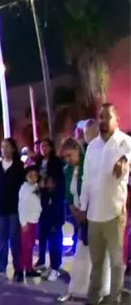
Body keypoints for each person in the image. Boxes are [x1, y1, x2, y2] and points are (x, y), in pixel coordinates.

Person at [79, 103, 131, 305]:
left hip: (115, 212)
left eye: (106, 117)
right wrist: (83, 207)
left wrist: (125, 160)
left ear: (117, 120)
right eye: (100, 117)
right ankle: (93, 298)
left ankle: (114, 299)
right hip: (93, 215)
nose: (102, 121)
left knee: (117, 263)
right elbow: (86, 179)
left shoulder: (125, 142)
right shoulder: (92, 146)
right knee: (97, 262)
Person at [58, 137, 110, 303]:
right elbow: (68, 193)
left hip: (94, 213)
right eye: (65, 156)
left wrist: (86, 212)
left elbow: (95, 190)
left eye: (70, 155)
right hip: (78, 215)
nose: (68, 159)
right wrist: (75, 212)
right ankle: (77, 289)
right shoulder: (67, 170)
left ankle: (100, 290)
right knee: (81, 253)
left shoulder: (89, 165)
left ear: (77, 149)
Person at [0, 138, 25, 282]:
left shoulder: (19, 166)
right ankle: (1, 267)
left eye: (7, 146)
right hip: (1, 208)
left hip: (15, 208)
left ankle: (19, 269)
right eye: (2, 147)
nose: (4, 150)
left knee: (15, 240)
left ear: (13, 148)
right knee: (2, 240)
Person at [33, 138, 65, 280]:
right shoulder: (38, 163)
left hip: (54, 202)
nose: (43, 149)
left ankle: (56, 266)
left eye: (46, 146)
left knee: (54, 234)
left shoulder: (57, 162)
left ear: (51, 147)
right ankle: (46, 263)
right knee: (43, 232)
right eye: (41, 146)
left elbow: (58, 182)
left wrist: (52, 186)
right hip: (42, 202)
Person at [18, 165, 41, 278]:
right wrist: (23, 223)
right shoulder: (24, 189)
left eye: (35, 176)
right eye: (30, 176)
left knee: (30, 246)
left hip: (34, 220)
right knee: (26, 247)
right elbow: (21, 207)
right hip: (27, 222)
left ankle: (29, 268)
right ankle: (22, 269)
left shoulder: (36, 187)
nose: (33, 178)